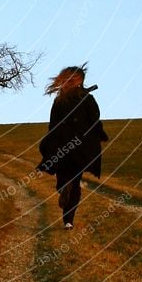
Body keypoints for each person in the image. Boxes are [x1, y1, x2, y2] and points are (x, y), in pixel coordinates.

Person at [37, 65, 108, 229]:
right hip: (80, 147)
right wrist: (101, 136)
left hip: (61, 146)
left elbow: (53, 125)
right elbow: (94, 121)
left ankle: (63, 189)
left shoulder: (59, 101)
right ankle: (68, 221)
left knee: (62, 178)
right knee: (75, 183)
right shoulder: (87, 99)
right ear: (81, 81)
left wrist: (49, 144)